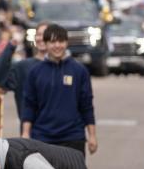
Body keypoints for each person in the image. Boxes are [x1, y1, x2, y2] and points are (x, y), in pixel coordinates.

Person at [21, 24, 96, 157]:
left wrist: (92, 136)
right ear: (45, 44)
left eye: (61, 41)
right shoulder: (35, 72)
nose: (57, 46)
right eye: (52, 42)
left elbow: (87, 105)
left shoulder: (79, 71)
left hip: (73, 137)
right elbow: (29, 105)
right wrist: (25, 133)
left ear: (67, 43)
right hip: (42, 137)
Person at [0, 22, 48, 125]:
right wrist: (11, 46)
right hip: (29, 133)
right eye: (39, 35)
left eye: (46, 34)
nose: (42, 38)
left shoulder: (65, 68)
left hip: (57, 135)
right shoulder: (22, 67)